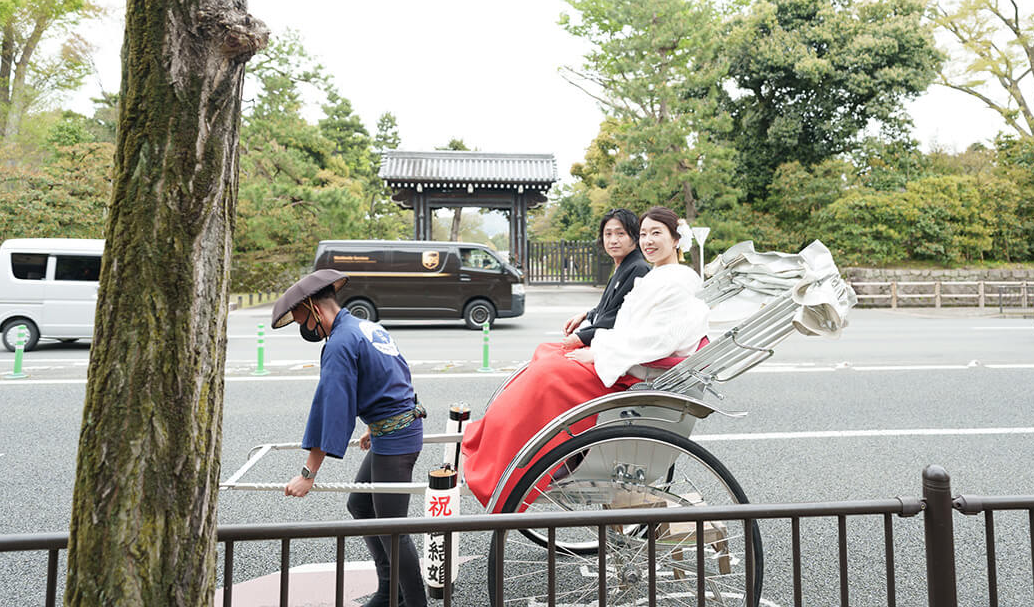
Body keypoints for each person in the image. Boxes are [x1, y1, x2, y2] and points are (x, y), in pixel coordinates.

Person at [461, 206, 708, 511]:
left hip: (630, 369)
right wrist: (599, 341)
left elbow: (655, 339)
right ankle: (489, 448)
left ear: (675, 240)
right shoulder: (658, 275)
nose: (648, 241)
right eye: (644, 233)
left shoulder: (676, 281)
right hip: (622, 356)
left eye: (656, 233)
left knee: (547, 375)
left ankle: (503, 466)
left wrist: (599, 350)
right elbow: (627, 325)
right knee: (545, 363)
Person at [271, 269, 427, 607]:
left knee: (393, 530)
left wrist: (308, 474)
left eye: (300, 319)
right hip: (395, 428)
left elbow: (331, 411)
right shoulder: (362, 325)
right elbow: (392, 373)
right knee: (360, 504)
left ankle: (415, 602)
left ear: (314, 307)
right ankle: (390, 592)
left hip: (397, 435)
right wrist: (373, 423)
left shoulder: (340, 343)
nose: (302, 328)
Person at [561, 208, 651, 346]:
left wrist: (581, 337)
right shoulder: (623, 267)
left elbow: (619, 318)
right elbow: (607, 309)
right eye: (608, 234)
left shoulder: (638, 269)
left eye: (620, 234)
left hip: (613, 348)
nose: (613, 240)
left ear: (635, 237)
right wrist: (586, 315)